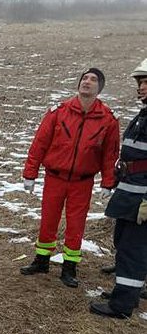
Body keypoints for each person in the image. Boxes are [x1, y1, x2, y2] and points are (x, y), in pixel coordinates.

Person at [21, 68, 120, 287]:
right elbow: (39, 144)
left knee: (76, 224)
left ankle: (69, 267)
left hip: (82, 182)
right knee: (48, 219)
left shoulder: (108, 119)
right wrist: (30, 173)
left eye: (93, 80)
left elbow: (110, 154)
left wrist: (107, 181)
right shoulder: (58, 111)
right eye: (84, 78)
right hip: (55, 177)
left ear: (99, 88)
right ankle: (41, 260)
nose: (87, 82)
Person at [90, 58, 147, 318]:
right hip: (130, 194)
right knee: (123, 243)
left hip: (141, 199)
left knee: (132, 250)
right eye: (140, 82)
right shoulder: (144, 114)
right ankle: (129, 292)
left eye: (146, 83)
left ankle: (122, 305)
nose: (141, 87)